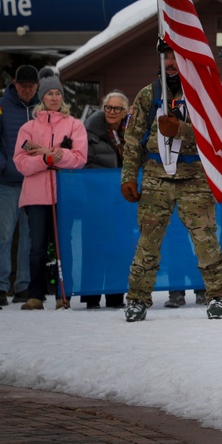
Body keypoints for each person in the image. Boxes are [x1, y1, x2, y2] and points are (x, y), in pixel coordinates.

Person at [120, 45, 222, 322]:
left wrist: (182, 130)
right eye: (166, 57)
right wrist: (129, 177)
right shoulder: (148, 95)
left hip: (194, 176)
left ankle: (217, 296)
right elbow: (133, 141)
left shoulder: (202, 94)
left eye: (175, 57)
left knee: (205, 240)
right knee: (147, 242)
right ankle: (137, 299)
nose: (170, 63)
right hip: (157, 175)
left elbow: (217, 136)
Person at [13, 75, 87, 310]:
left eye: (57, 93)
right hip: (35, 196)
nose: (54, 98)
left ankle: (62, 292)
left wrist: (58, 156)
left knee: (62, 244)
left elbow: (79, 158)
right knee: (37, 247)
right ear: (41, 97)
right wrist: (46, 159)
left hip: (64, 195)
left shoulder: (74, 124)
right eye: (49, 94)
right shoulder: (28, 127)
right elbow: (21, 162)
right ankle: (36, 294)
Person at [80, 90, 130, 309]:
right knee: (94, 247)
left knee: (119, 247)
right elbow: (83, 164)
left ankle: (115, 295)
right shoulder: (88, 133)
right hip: (96, 201)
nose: (112, 112)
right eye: (109, 107)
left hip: (121, 202)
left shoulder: (130, 134)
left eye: (117, 108)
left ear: (125, 112)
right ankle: (91, 296)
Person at [0, 64, 39, 306]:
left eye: (30, 85)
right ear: (15, 84)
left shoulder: (41, 109)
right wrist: (4, 166)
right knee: (3, 235)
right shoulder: (2, 106)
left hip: (34, 182)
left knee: (29, 237)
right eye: (22, 85)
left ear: (36, 86)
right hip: (7, 182)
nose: (26, 89)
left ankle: (24, 285)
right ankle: (2, 285)